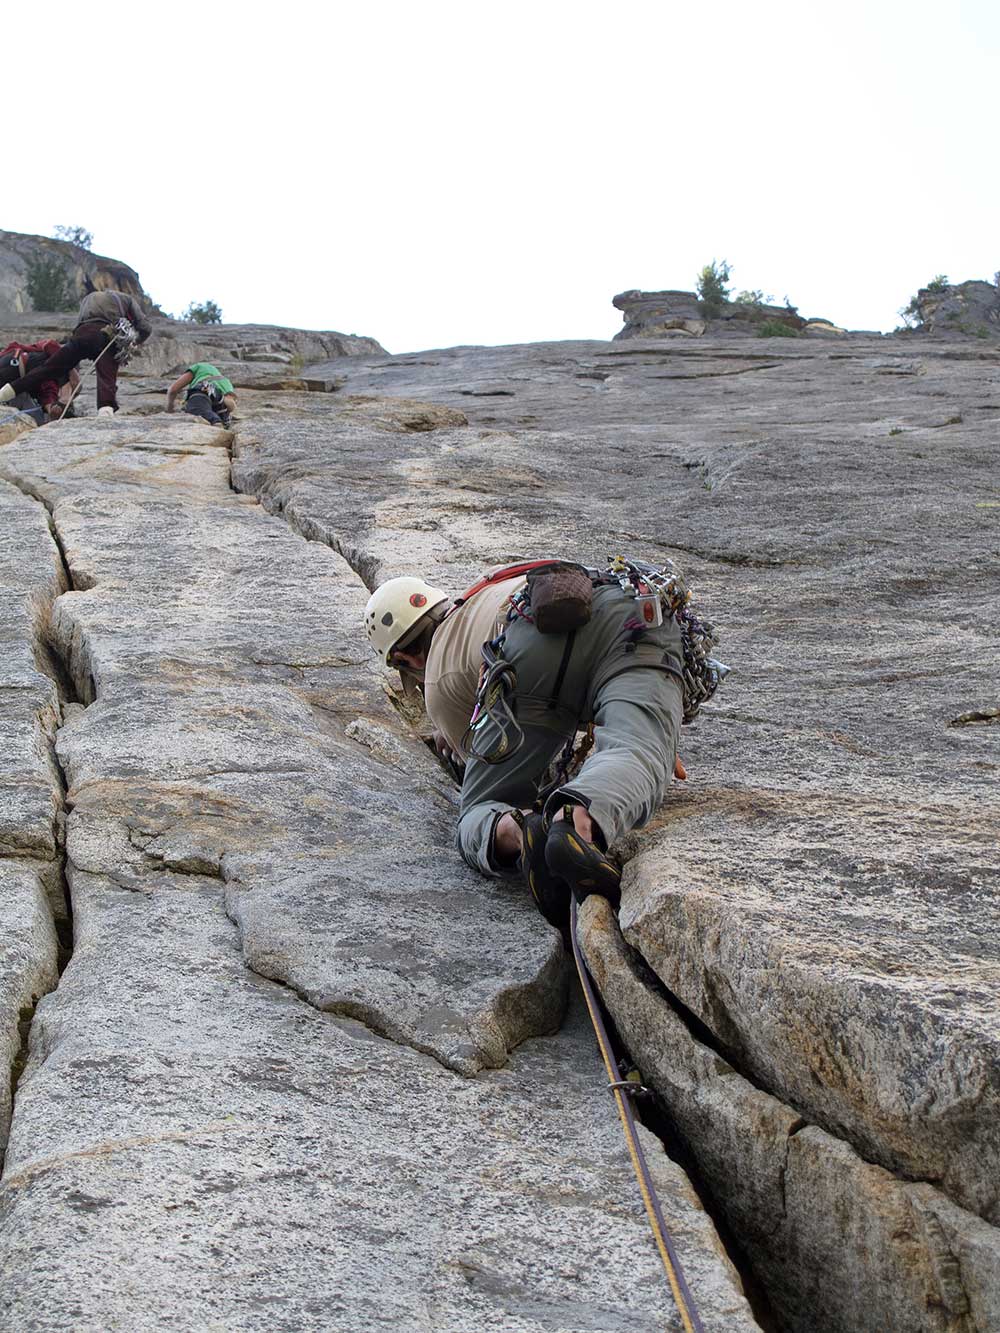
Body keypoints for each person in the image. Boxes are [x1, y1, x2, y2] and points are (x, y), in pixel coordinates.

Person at [363, 563, 684, 926]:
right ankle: (583, 811)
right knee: (638, 751)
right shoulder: (490, 585)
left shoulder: (438, 680)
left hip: (525, 655)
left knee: (480, 808)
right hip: (626, 610)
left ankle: (532, 827)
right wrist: (657, 733)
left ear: (405, 659)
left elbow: (498, 767)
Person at [0, 289, 151, 416]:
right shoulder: (127, 300)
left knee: (48, 369)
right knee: (106, 377)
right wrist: (134, 342)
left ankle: (5, 393)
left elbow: (80, 323)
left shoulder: (89, 298)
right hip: (108, 335)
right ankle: (105, 413)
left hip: (82, 334)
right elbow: (145, 327)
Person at [0, 340, 80, 421]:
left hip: (11, 376)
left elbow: (47, 396)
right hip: (14, 363)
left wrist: (52, 410)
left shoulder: (52, 381)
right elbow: (49, 344)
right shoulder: (52, 353)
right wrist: (71, 371)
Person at [165, 363, 236, 427]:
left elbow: (173, 390)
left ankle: (215, 421)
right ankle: (219, 420)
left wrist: (170, 408)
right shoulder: (226, 381)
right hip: (220, 403)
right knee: (213, 407)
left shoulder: (200, 367)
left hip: (203, 390)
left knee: (195, 408)